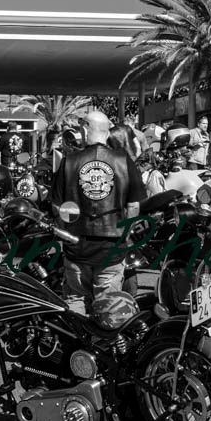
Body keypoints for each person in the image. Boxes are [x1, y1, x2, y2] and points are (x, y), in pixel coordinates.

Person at [50, 111, 146, 316]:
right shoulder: (125, 161)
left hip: (77, 245)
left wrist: (67, 229)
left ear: (85, 129)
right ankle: (105, 344)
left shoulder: (69, 161)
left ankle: (78, 344)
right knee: (109, 306)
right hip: (112, 248)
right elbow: (134, 206)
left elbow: (57, 207)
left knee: (75, 300)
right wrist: (125, 234)